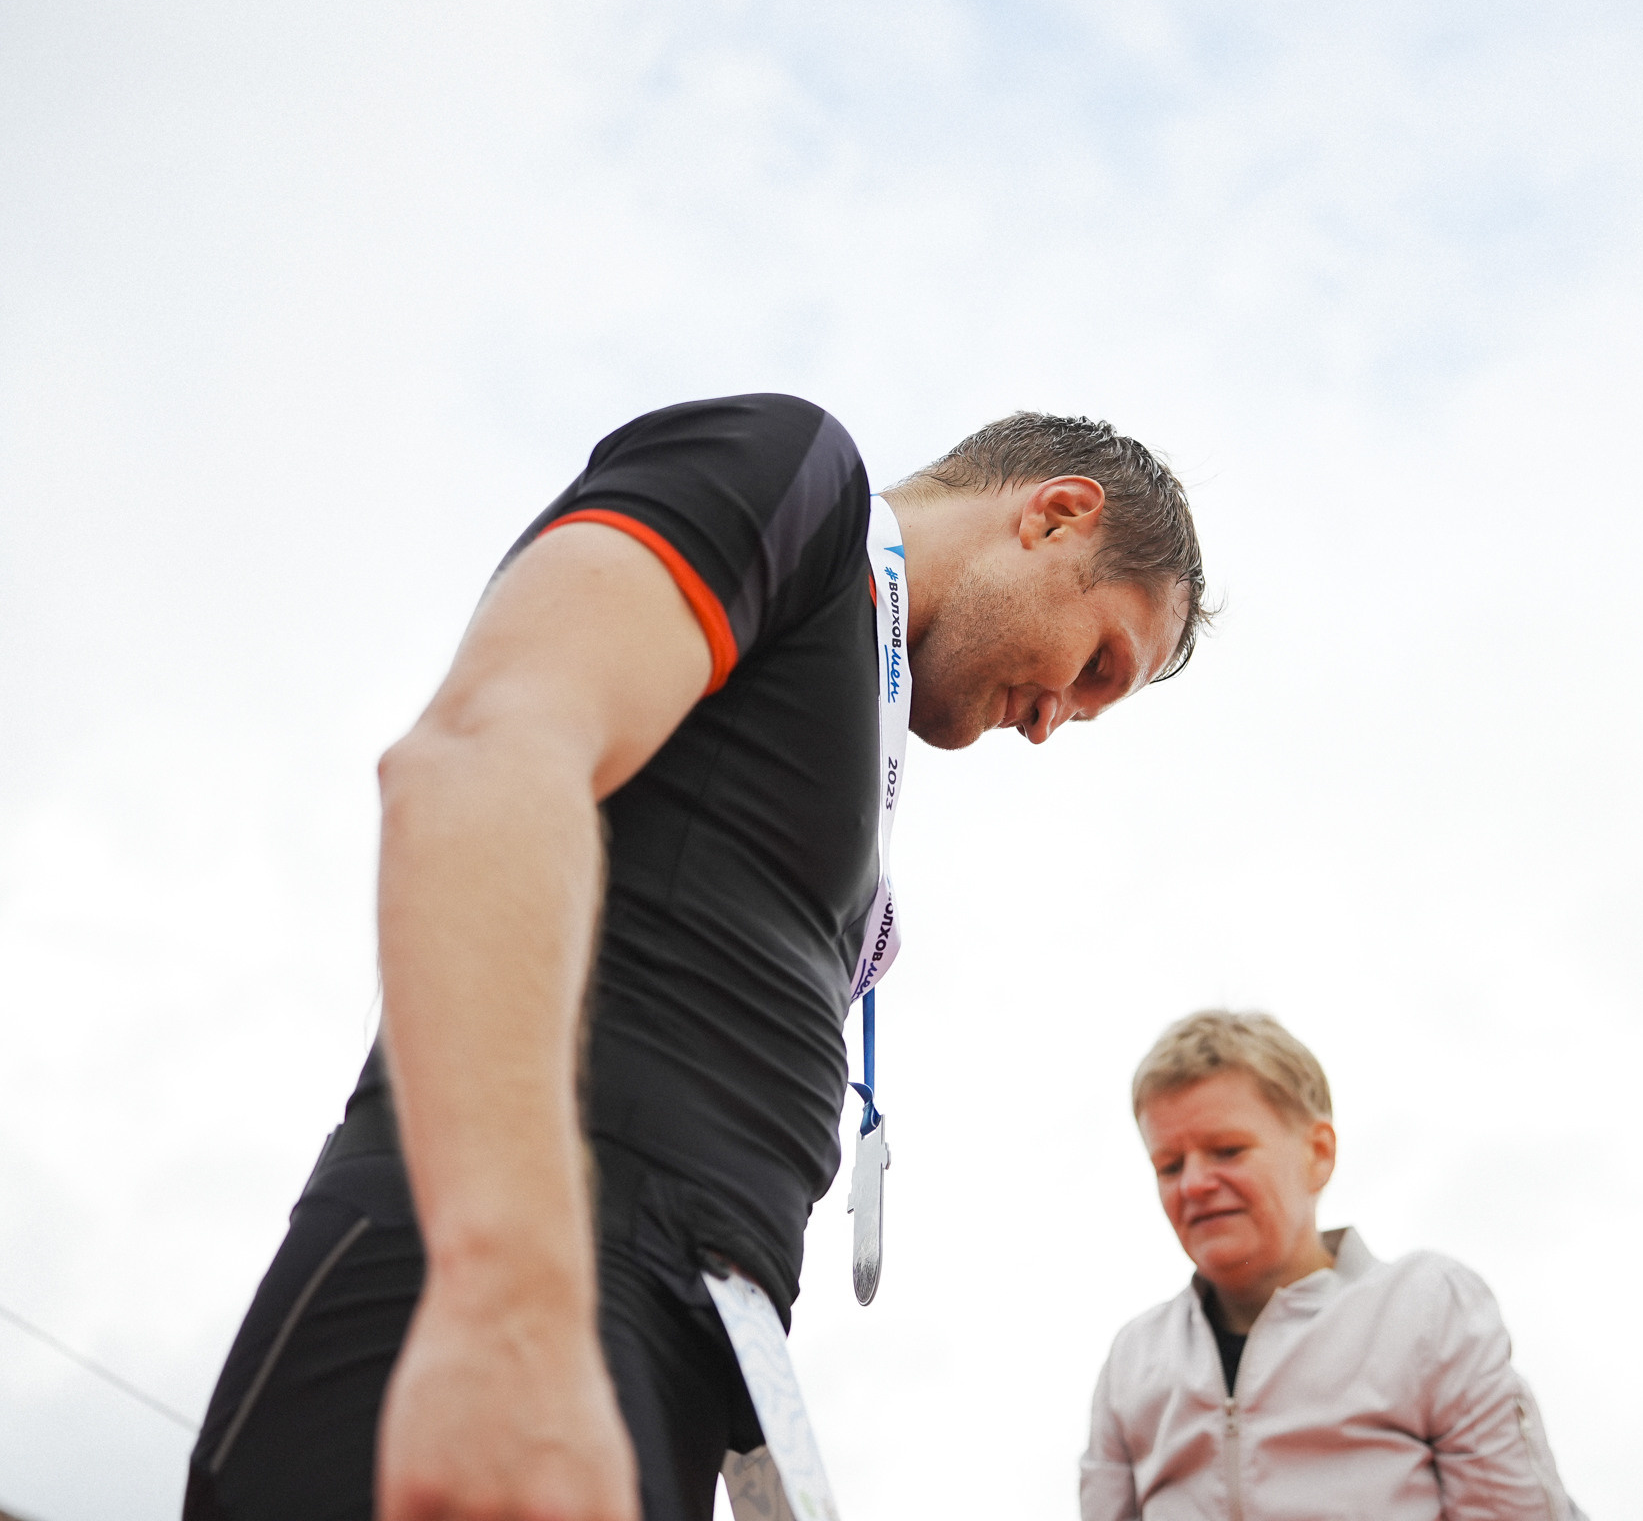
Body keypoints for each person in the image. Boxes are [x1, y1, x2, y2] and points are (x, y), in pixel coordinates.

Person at [184, 393, 1209, 1521]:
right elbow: (487, 755)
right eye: (1099, 662)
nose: (1059, 719)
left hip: (656, 1347)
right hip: (507, 1290)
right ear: (1057, 516)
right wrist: (507, 1304)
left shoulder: (849, 731)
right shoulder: (795, 473)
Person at [1082, 1011, 1584, 1521]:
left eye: (1227, 1151)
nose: (1193, 1184)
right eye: (1169, 1165)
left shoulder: (1426, 1310)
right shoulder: (1133, 1361)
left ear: (1318, 1154)